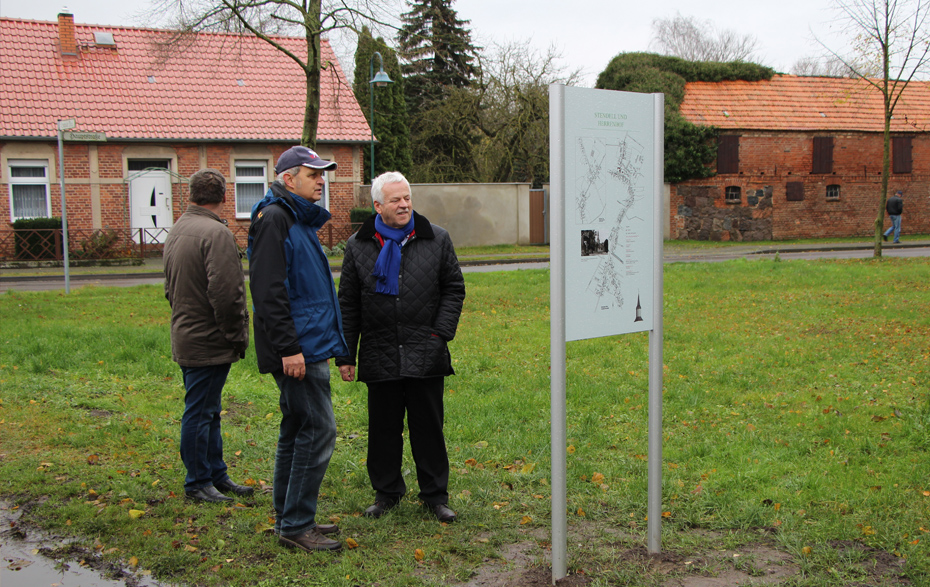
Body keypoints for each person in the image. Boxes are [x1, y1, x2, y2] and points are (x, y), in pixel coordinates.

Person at [336, 171, 466, 524]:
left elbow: (454, 288)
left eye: (407, 197)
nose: (405, 204)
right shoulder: (357, 246)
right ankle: (387, 493)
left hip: (426, 350)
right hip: (379, 350)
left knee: (428, 427)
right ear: (377, 206)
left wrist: (439, 333)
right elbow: (347, 303)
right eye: (395, 200)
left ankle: (436, 496)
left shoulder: (436, 239)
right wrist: (346, 354)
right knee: (383, 429)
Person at [247, 146, 348, 553]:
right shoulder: (276, 219)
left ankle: (289, 516)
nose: (321, 180)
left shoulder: (297, 219)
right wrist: (290, 349)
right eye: (314, 174)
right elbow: (269, 291)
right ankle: (295, 524)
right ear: (289, 179)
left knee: (296, 429)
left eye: (323, 174)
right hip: (298, 349)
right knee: (319, 429)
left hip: (309, 344)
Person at [163, 169, 252, 504]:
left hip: (186, 332)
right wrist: (236, 335)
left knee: (208, 409)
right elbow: (227, 294)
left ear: (190, 194)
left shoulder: (177, 229)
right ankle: (198, 482)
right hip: (208, 338)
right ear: (224, 197)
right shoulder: (216, 234)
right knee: (200, 412)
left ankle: (216, 475)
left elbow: (169, 287)